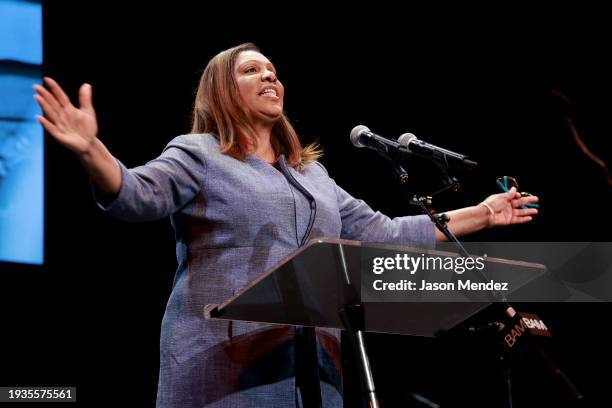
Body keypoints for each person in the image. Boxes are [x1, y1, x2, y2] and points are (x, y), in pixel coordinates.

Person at [33, 43, 539, 408]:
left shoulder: (312, 174)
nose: (270, 77)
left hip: (316, 373)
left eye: (273, 71)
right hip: (225, 366)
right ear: (222, 92)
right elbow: (135, 196)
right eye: (252, 71)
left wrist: (483, 213)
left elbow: (382, 231)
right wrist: (91, 151)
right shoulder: (199, 153)